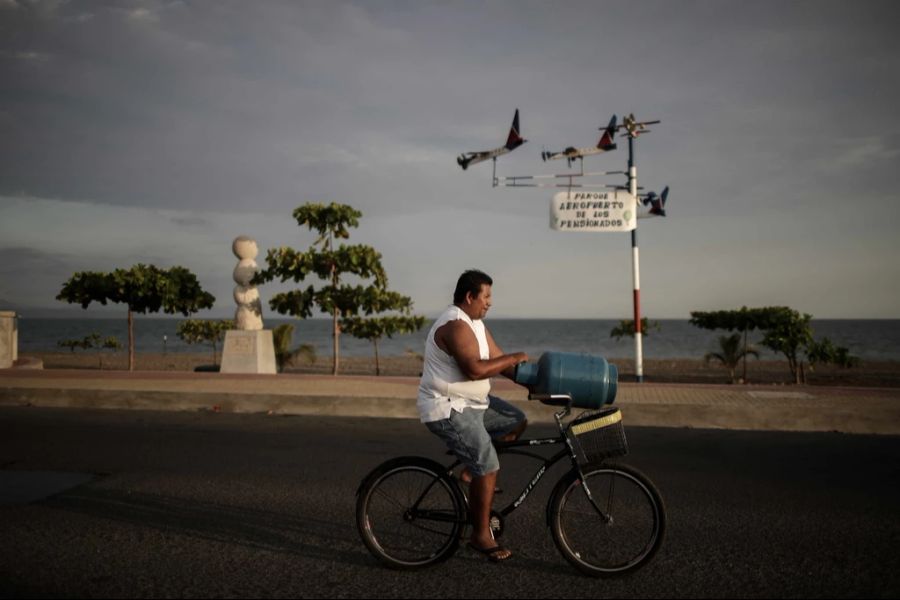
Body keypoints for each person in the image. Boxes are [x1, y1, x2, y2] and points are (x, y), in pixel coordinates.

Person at [417, 269, 529, 562]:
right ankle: (480, 536)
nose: (490, 302)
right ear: (469, 296)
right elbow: (476, 369)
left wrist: (541, 384)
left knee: (515, 420)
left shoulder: (476, 325)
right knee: (489, 466)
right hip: (449, 407)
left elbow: (502, 364)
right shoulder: (455, 324)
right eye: (486, 296)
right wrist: (515, 356)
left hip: (474, 404)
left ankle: (470, 472)